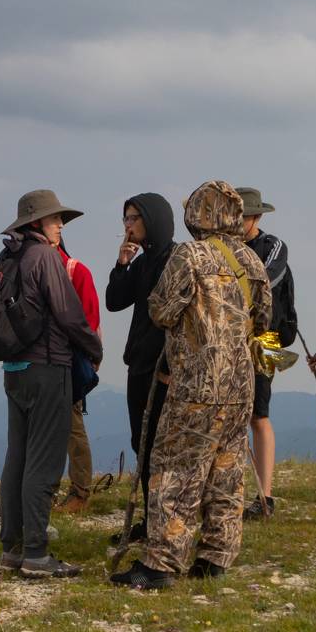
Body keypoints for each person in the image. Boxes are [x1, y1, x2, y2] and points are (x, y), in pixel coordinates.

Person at [111, 181, 270, 590]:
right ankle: (215, 557)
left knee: (174, 468)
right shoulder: (251, 260)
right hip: (241, 384)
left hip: (197, 383)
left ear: (196, 215)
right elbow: (265, 320)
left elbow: (161, 310)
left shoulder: (190, 255)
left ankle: (161, 564)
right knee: (226, 470)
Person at [0, 190, 104, 579]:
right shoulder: (45, 257)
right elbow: (70, 315)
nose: (60, 226)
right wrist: (94, 349)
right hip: (48, 368)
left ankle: (11, 551)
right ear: (38, 222)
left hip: (15, 370)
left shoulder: (7, 257)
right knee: (44, 462)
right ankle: (37, 555)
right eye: (56, 219)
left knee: (17, 459)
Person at [104, 193, 176, 542]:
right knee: (141, 443)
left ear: (153, 219)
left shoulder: (175, 259)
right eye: (126, 218)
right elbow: (114, 301)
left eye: (133, 218)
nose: (127, 225)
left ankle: (164, 522)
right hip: (138, 366)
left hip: (164, 369)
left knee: (161, 448)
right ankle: (151, 521)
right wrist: (122, 264)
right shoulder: (143, 260)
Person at [236, 187, 297, 519]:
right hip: (233, 336)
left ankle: (265, 495)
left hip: (267, 337)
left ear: (256, 217)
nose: (237, 222)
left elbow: (266, 279)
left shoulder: (273, 245)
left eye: (243, 216)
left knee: (259, 412)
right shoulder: (225, 246)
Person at [54, 233, 102, 514]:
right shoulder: (42, 269)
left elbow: (89, 321)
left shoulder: (75, 271)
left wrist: (90, 355)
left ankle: (80, 492)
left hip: (69, 361)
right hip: (47, 361)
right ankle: (51, 490)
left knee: (72, 427)